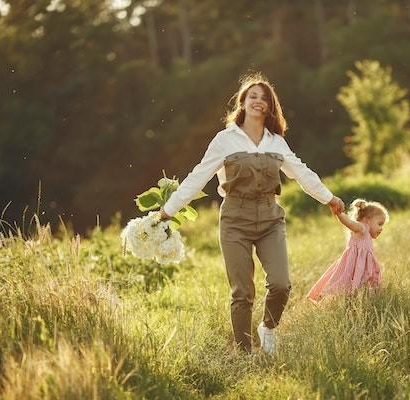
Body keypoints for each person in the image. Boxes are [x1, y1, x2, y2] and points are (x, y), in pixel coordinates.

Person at [159, 73, 345, 354]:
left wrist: (329, 198)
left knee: (281, 284)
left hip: (270, 217)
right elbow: (198, 176)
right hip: (234, 219)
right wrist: (168, 210)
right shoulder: (225, 140)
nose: (259, 101)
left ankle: (268, 328)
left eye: (265, 98)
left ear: (271, 107)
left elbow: (302, 173)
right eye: (253, 96)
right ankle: (244, 353)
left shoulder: (276, 142)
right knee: (242, 293)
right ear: (242, 102)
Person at [307, 199, 388, 303]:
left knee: (362, 286)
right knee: (344, 285)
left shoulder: (367, 233)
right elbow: (349, 223)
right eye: (380, 224)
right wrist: (339, 213)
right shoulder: (362, 228)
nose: (381, 228)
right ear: (367, 220)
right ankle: (329, 302)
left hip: (360, 268)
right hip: (352, 266)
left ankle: (361, 301)